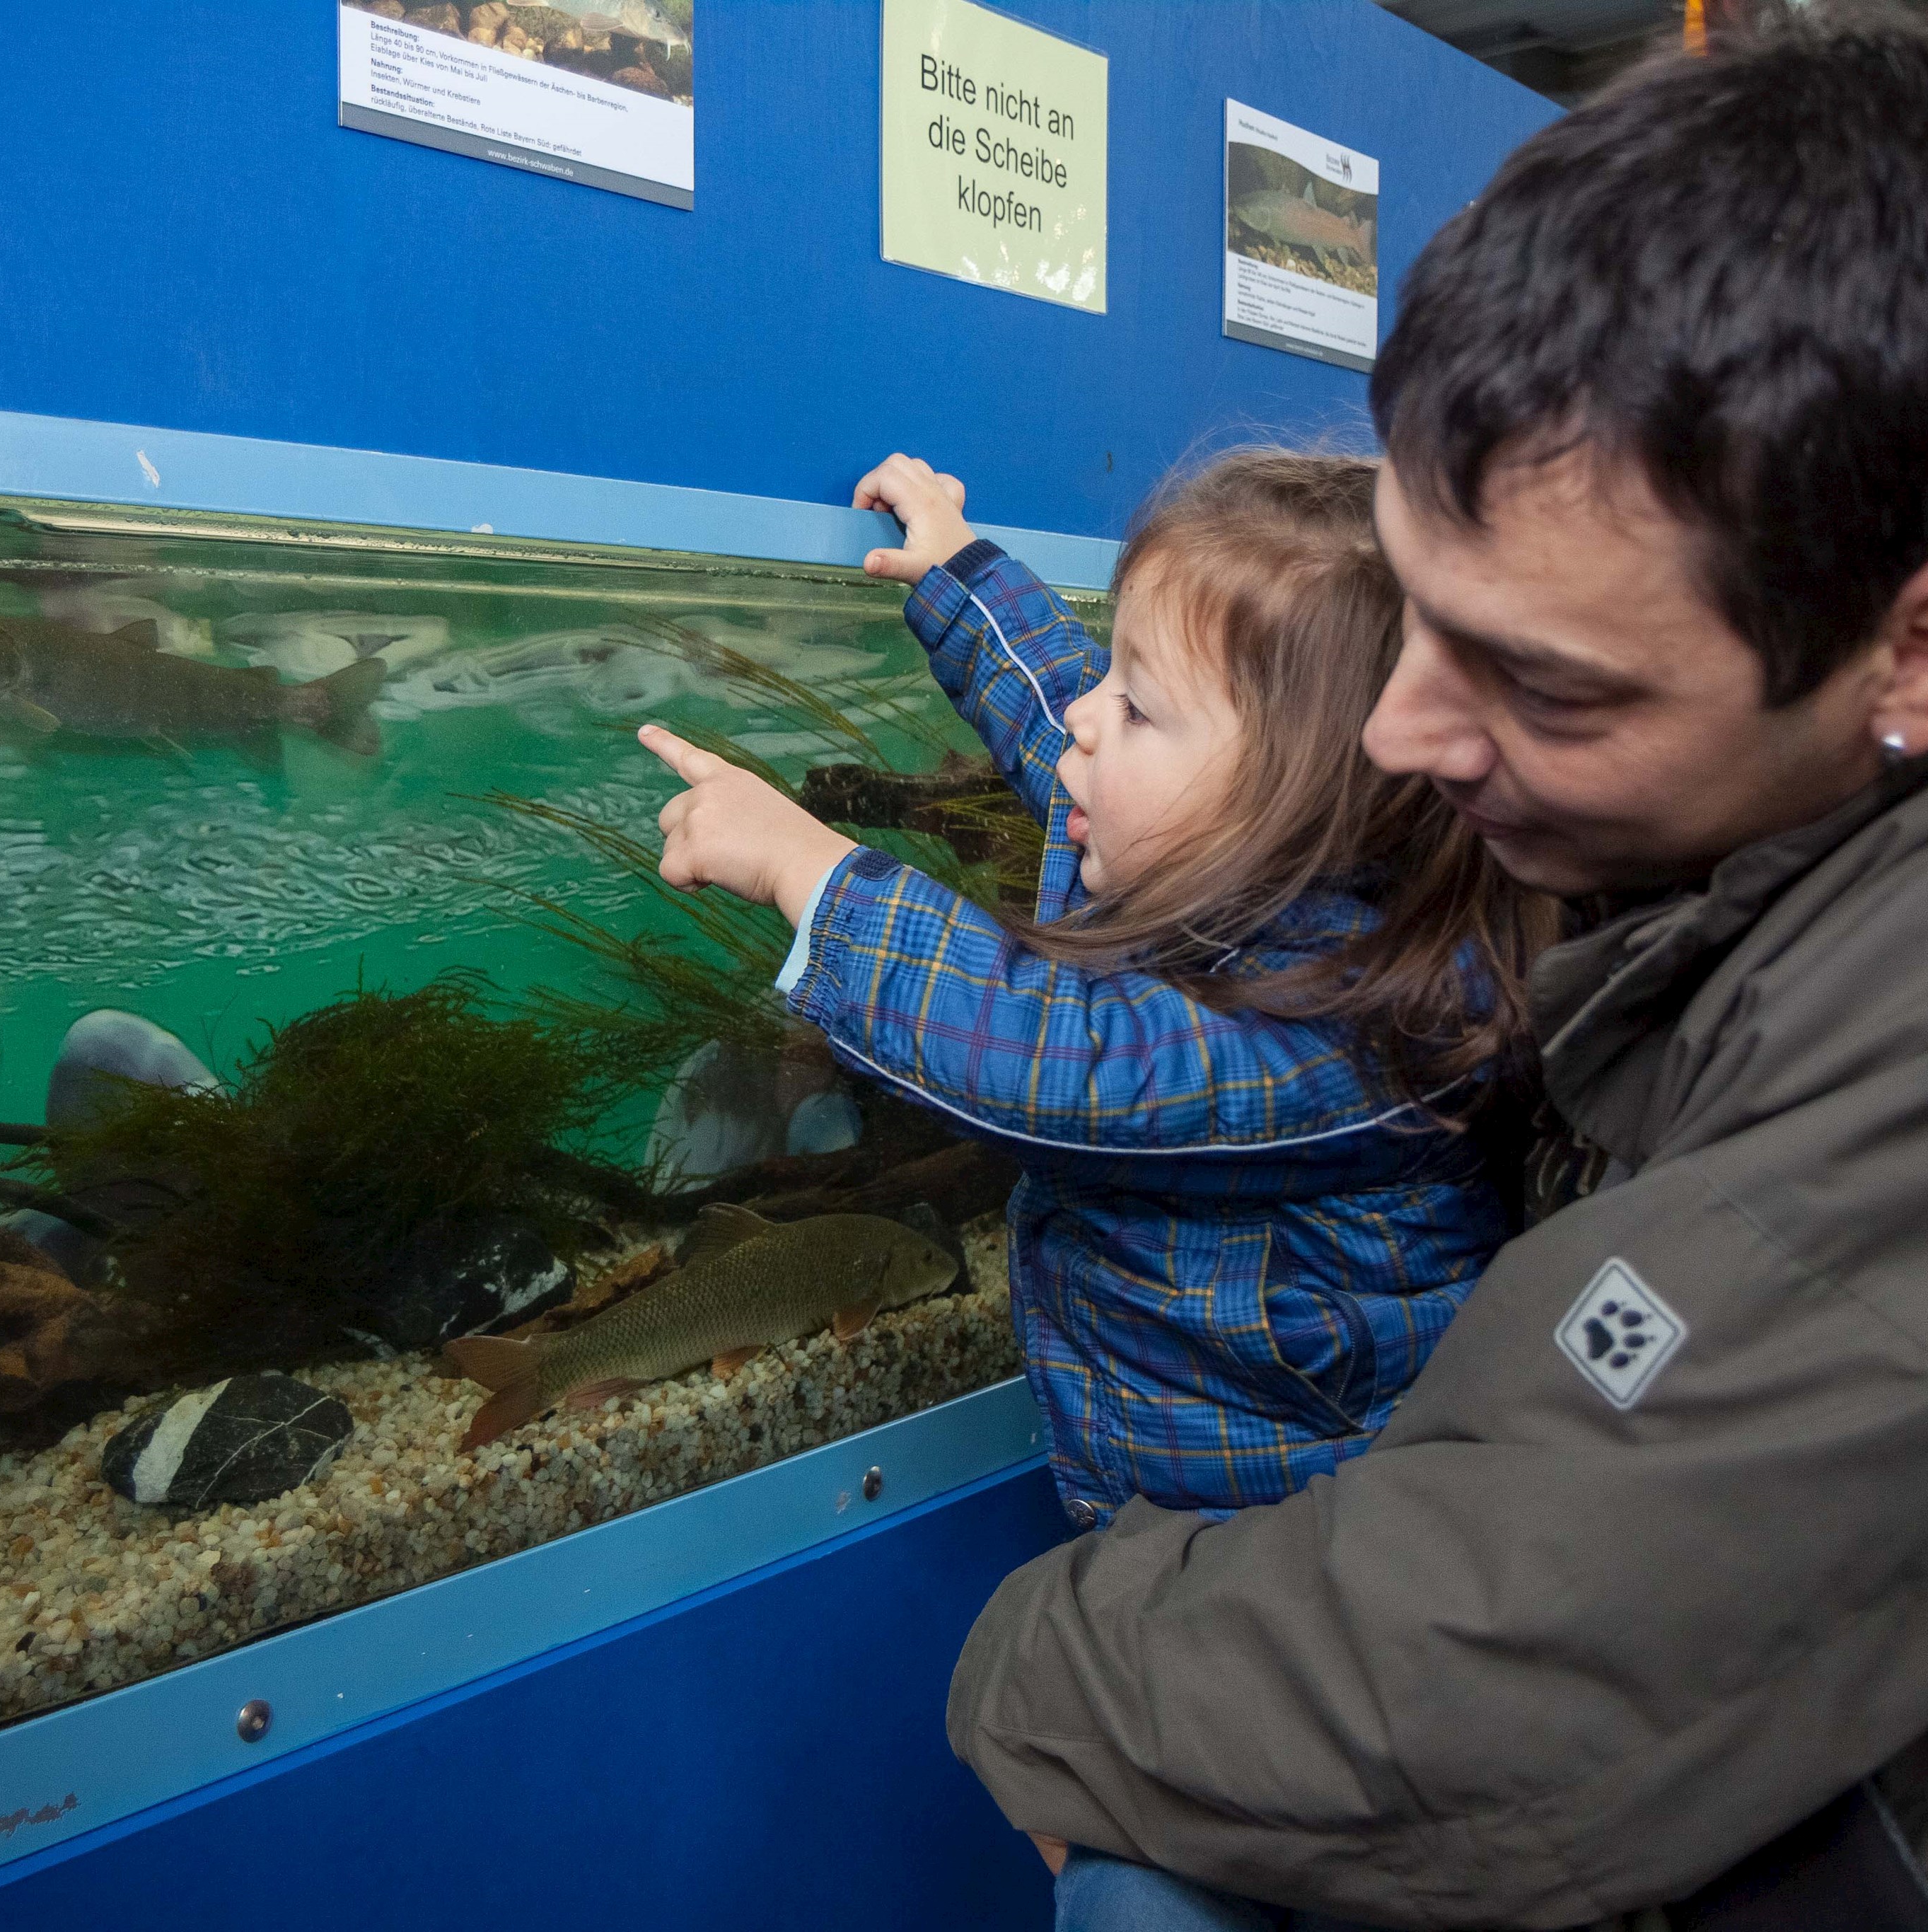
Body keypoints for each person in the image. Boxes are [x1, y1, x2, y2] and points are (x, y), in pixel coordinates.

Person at [940, 7, 1928, 1931]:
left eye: (1544, 681)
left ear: (1922, 659)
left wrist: (1037, 1667)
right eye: (1419, 614)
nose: (1402, 737)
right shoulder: (1767, 757)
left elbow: (1527, 1659)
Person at [636, 449, 1550, 1570]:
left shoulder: (1364, 1028)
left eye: (1136, 703)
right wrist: (960, 572)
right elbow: (1050, 708)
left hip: (1285, 1561)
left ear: (1293, 800)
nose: (1085, 714)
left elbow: (1057, 1058)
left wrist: (810, 872)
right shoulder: (1224, 859)